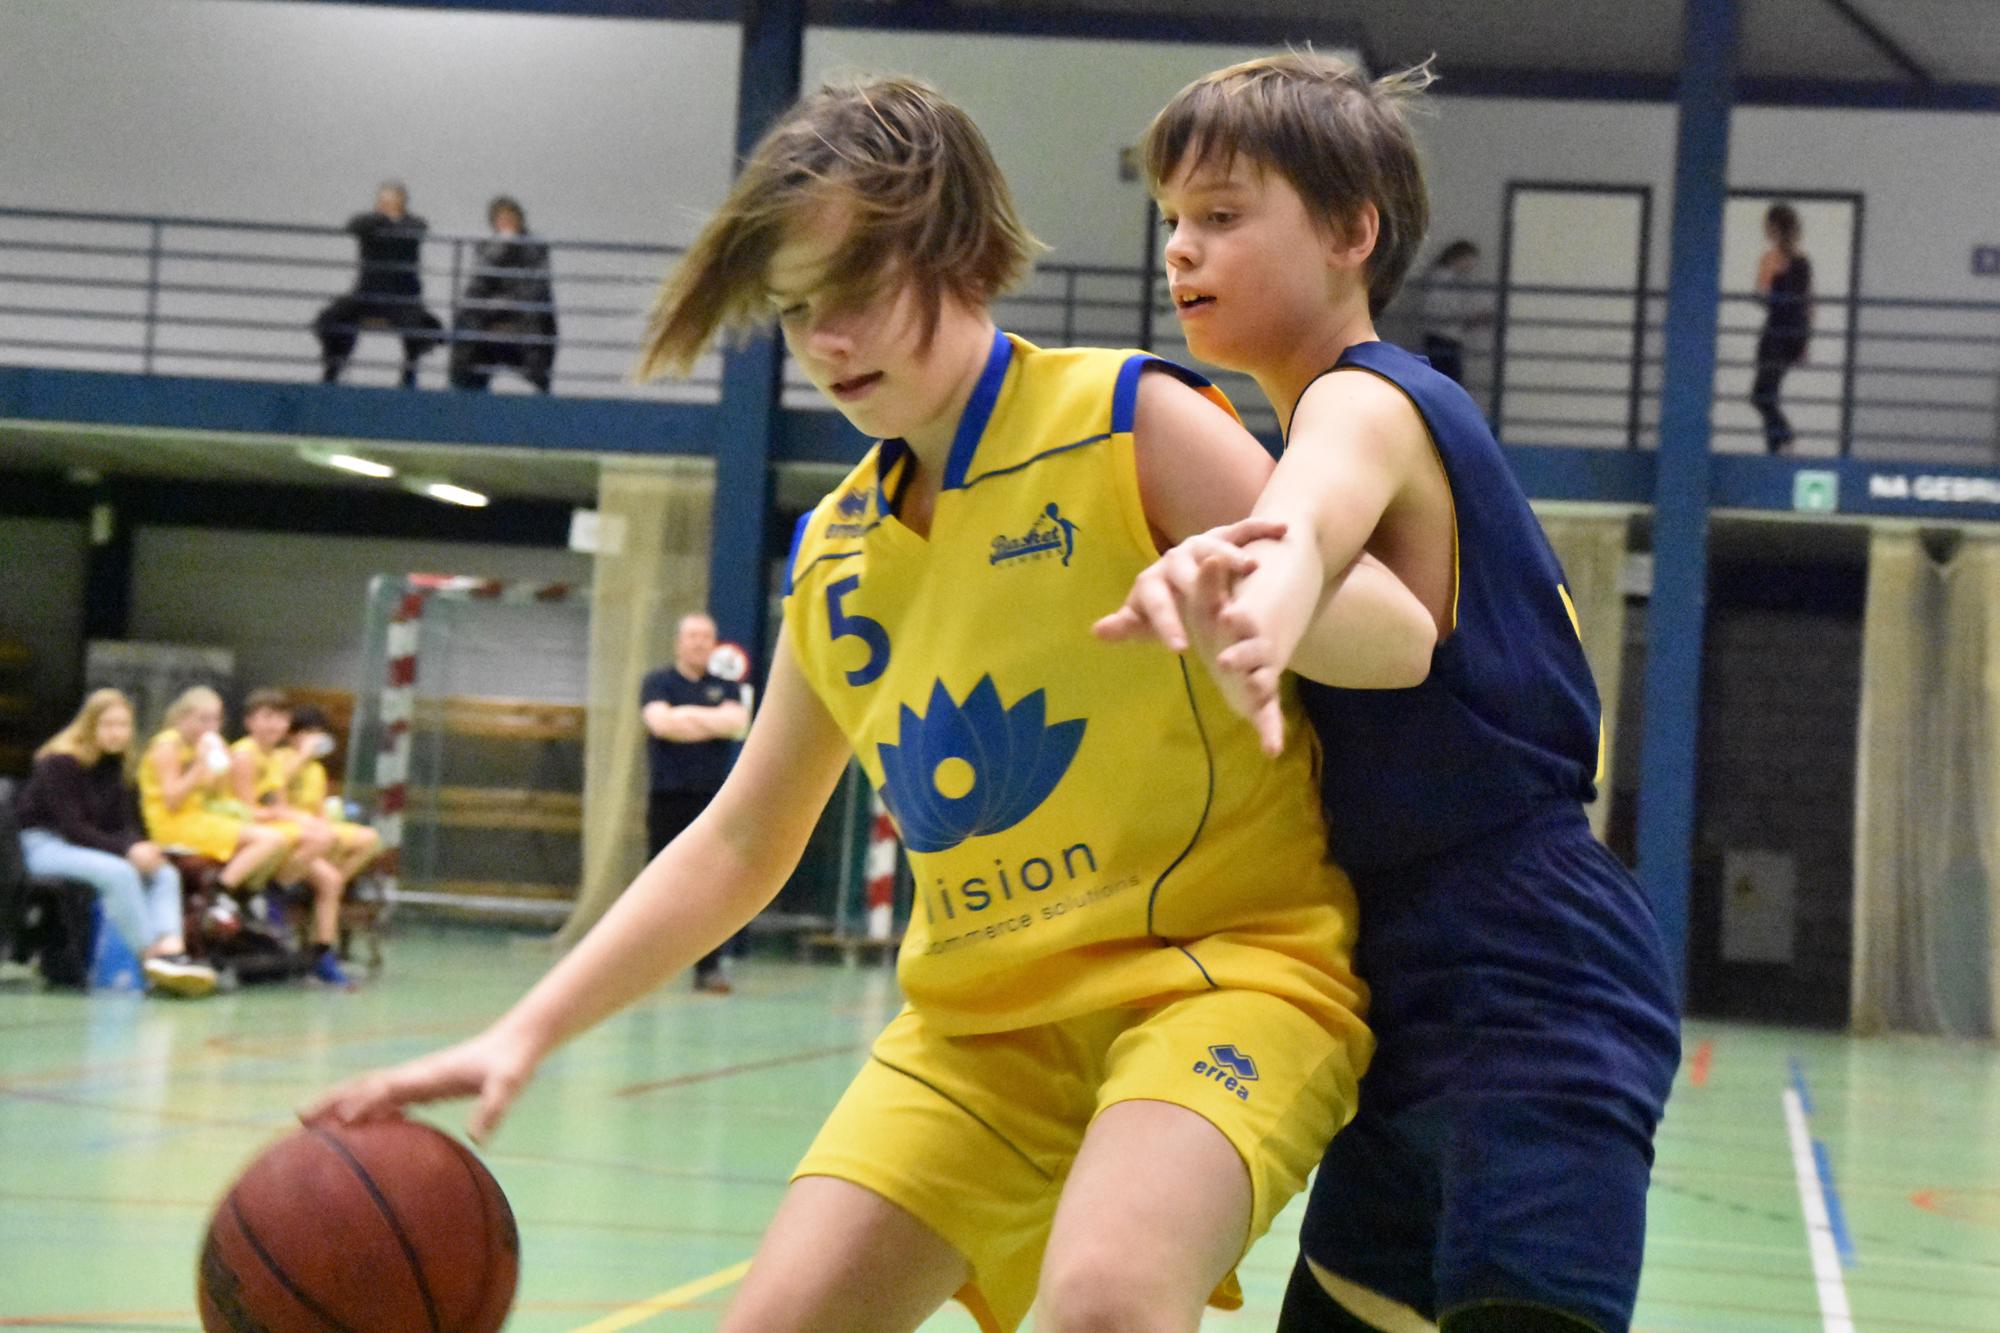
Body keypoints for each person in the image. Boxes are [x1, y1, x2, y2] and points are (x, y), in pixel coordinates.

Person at [305, 77, 1438, 1333]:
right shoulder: (834, 549)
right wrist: (524, 1030)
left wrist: (1261, 600)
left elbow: (1399, 641)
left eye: (855, 291)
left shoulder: (1130, 420)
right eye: (797, 309)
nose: (828, 339)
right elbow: (743, 838)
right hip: (980, 1028)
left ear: (959, 251)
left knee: (1107, 1299)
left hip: (1223, 976)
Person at [1102, 53, 1682, 1333]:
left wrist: (1258, 598)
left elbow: (1306, 527)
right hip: (1389, 982)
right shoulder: (1304, 427)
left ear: (1350, 233)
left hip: (1530, 969)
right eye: (1170, 220)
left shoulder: (1365, 399)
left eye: (1220, 214)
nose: (1179, 250)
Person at [14, 689, 217, 997]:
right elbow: (73, 827)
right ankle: (150, 958)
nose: (117, 733)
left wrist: (144, 848)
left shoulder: (119, 765)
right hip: (41, 844)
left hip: (85, 845)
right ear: (89, 725)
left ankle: (172, 952)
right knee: (119, 873)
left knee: (164, 873)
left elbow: (126, 824)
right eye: (108, 725)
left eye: (123, 725)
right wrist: (127, 850)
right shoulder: (59, 762)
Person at [639, 612, 750, 994]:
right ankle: (647, 965)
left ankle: (709, 967)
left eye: (706, 636)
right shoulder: (658, 682)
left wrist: (683, 717)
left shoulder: (727, 686)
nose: (699, 643)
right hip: (667, 796)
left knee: (710, 885)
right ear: (679, 642)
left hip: (711, 802)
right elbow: (660, 724)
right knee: (659, 882)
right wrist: (708, 720)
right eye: (692, 636)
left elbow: (736, 723)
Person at [227, 689, 356, 987]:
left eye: (280, 718)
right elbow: (246, 809)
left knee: (332, 879)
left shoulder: (276, 758)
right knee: (321, 839)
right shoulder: (247, 754)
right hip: (250, 833)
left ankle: (322, 954)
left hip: (279, 831)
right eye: (267, 717)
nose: (274, 724)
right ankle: (273, 894)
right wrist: (296, 818)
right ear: (249, 721)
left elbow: (278, 803)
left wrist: (299, 818)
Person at [138, 686, 293, 904]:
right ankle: (220, 894)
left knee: (281, 839)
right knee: (269, 840)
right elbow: (172, 801)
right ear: (183, 718)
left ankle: (246, 896)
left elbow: (212, 791)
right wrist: (199, 765)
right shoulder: (168, 746)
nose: (210, 727)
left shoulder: (200, 745)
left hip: (200, 816)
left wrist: (221, 762)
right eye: (203, 719)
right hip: (172, 823)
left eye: (216, 720)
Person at [312, 180, 444, 388]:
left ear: (401, 202)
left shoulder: (413, 224)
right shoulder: (368, 223)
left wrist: (389, 224)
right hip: (367, 295)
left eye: (390, 200)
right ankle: (333, 370)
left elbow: (418, 228)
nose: (384, 204)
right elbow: (354, 224)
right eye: (382, 200)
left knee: (420, 326)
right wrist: (383, 220)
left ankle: (409, 375)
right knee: (331, 318)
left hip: (402, 298)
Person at [449, 194, 559, 394]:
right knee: (464, 324)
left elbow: (536, 289)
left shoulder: (535, 247)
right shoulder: (486, 247)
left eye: (511, 218)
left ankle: (539, 389)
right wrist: (500, 248)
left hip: (525, 317)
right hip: (490, 316)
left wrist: (507, 303)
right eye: (501, 219)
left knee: (538, 330)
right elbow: (476, 287)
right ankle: (460, 392)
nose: (507, 223)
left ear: (520, 220)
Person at [284, 704, 382, 887]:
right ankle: (290, 885)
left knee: (369, 838)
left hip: (315, 828)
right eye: (308, 733)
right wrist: (303, 754)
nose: (315, 739)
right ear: (291, 735)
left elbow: (319, 807)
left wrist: (325, 824)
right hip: (290, 826)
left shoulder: (317, 770)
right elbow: (276, 783)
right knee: (329, 868)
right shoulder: (282, 758)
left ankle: (327, 886)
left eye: (318, 733)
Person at [1751, 202, 1813, 454]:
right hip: (1795, 332)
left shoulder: (1772, 258)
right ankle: (1776, 448)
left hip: (1776, 332)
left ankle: (1784, 438)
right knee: (1769, 393)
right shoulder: (1803, 261)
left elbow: (1761, 292)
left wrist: (1767, 295)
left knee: (1761, 395)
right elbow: (1808, 303)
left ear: (1774, 228)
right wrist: (1805, 341)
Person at [1413, 239, 1490, 385]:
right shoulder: (1442, 279)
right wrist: (1469, 317)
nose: (1471, 265)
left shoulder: (1450, 280)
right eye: (1468, 259)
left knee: (1446, 382)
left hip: (1445, 339)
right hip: (1441, 339)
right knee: (1448, 383)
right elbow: (1438, 310)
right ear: (1456, 257)